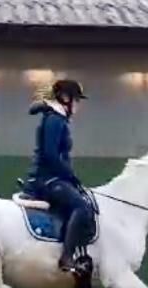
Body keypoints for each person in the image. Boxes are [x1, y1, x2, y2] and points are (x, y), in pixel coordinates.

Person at [24, 79, 96, 274]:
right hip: (47, 180)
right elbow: (51, 155)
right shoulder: (54, 121)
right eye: (76, 100)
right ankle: (67, 257)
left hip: (54, 178)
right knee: (82, 207)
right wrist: (71, 176)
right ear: (65, 98)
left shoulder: (58, 119)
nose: (78, 106)